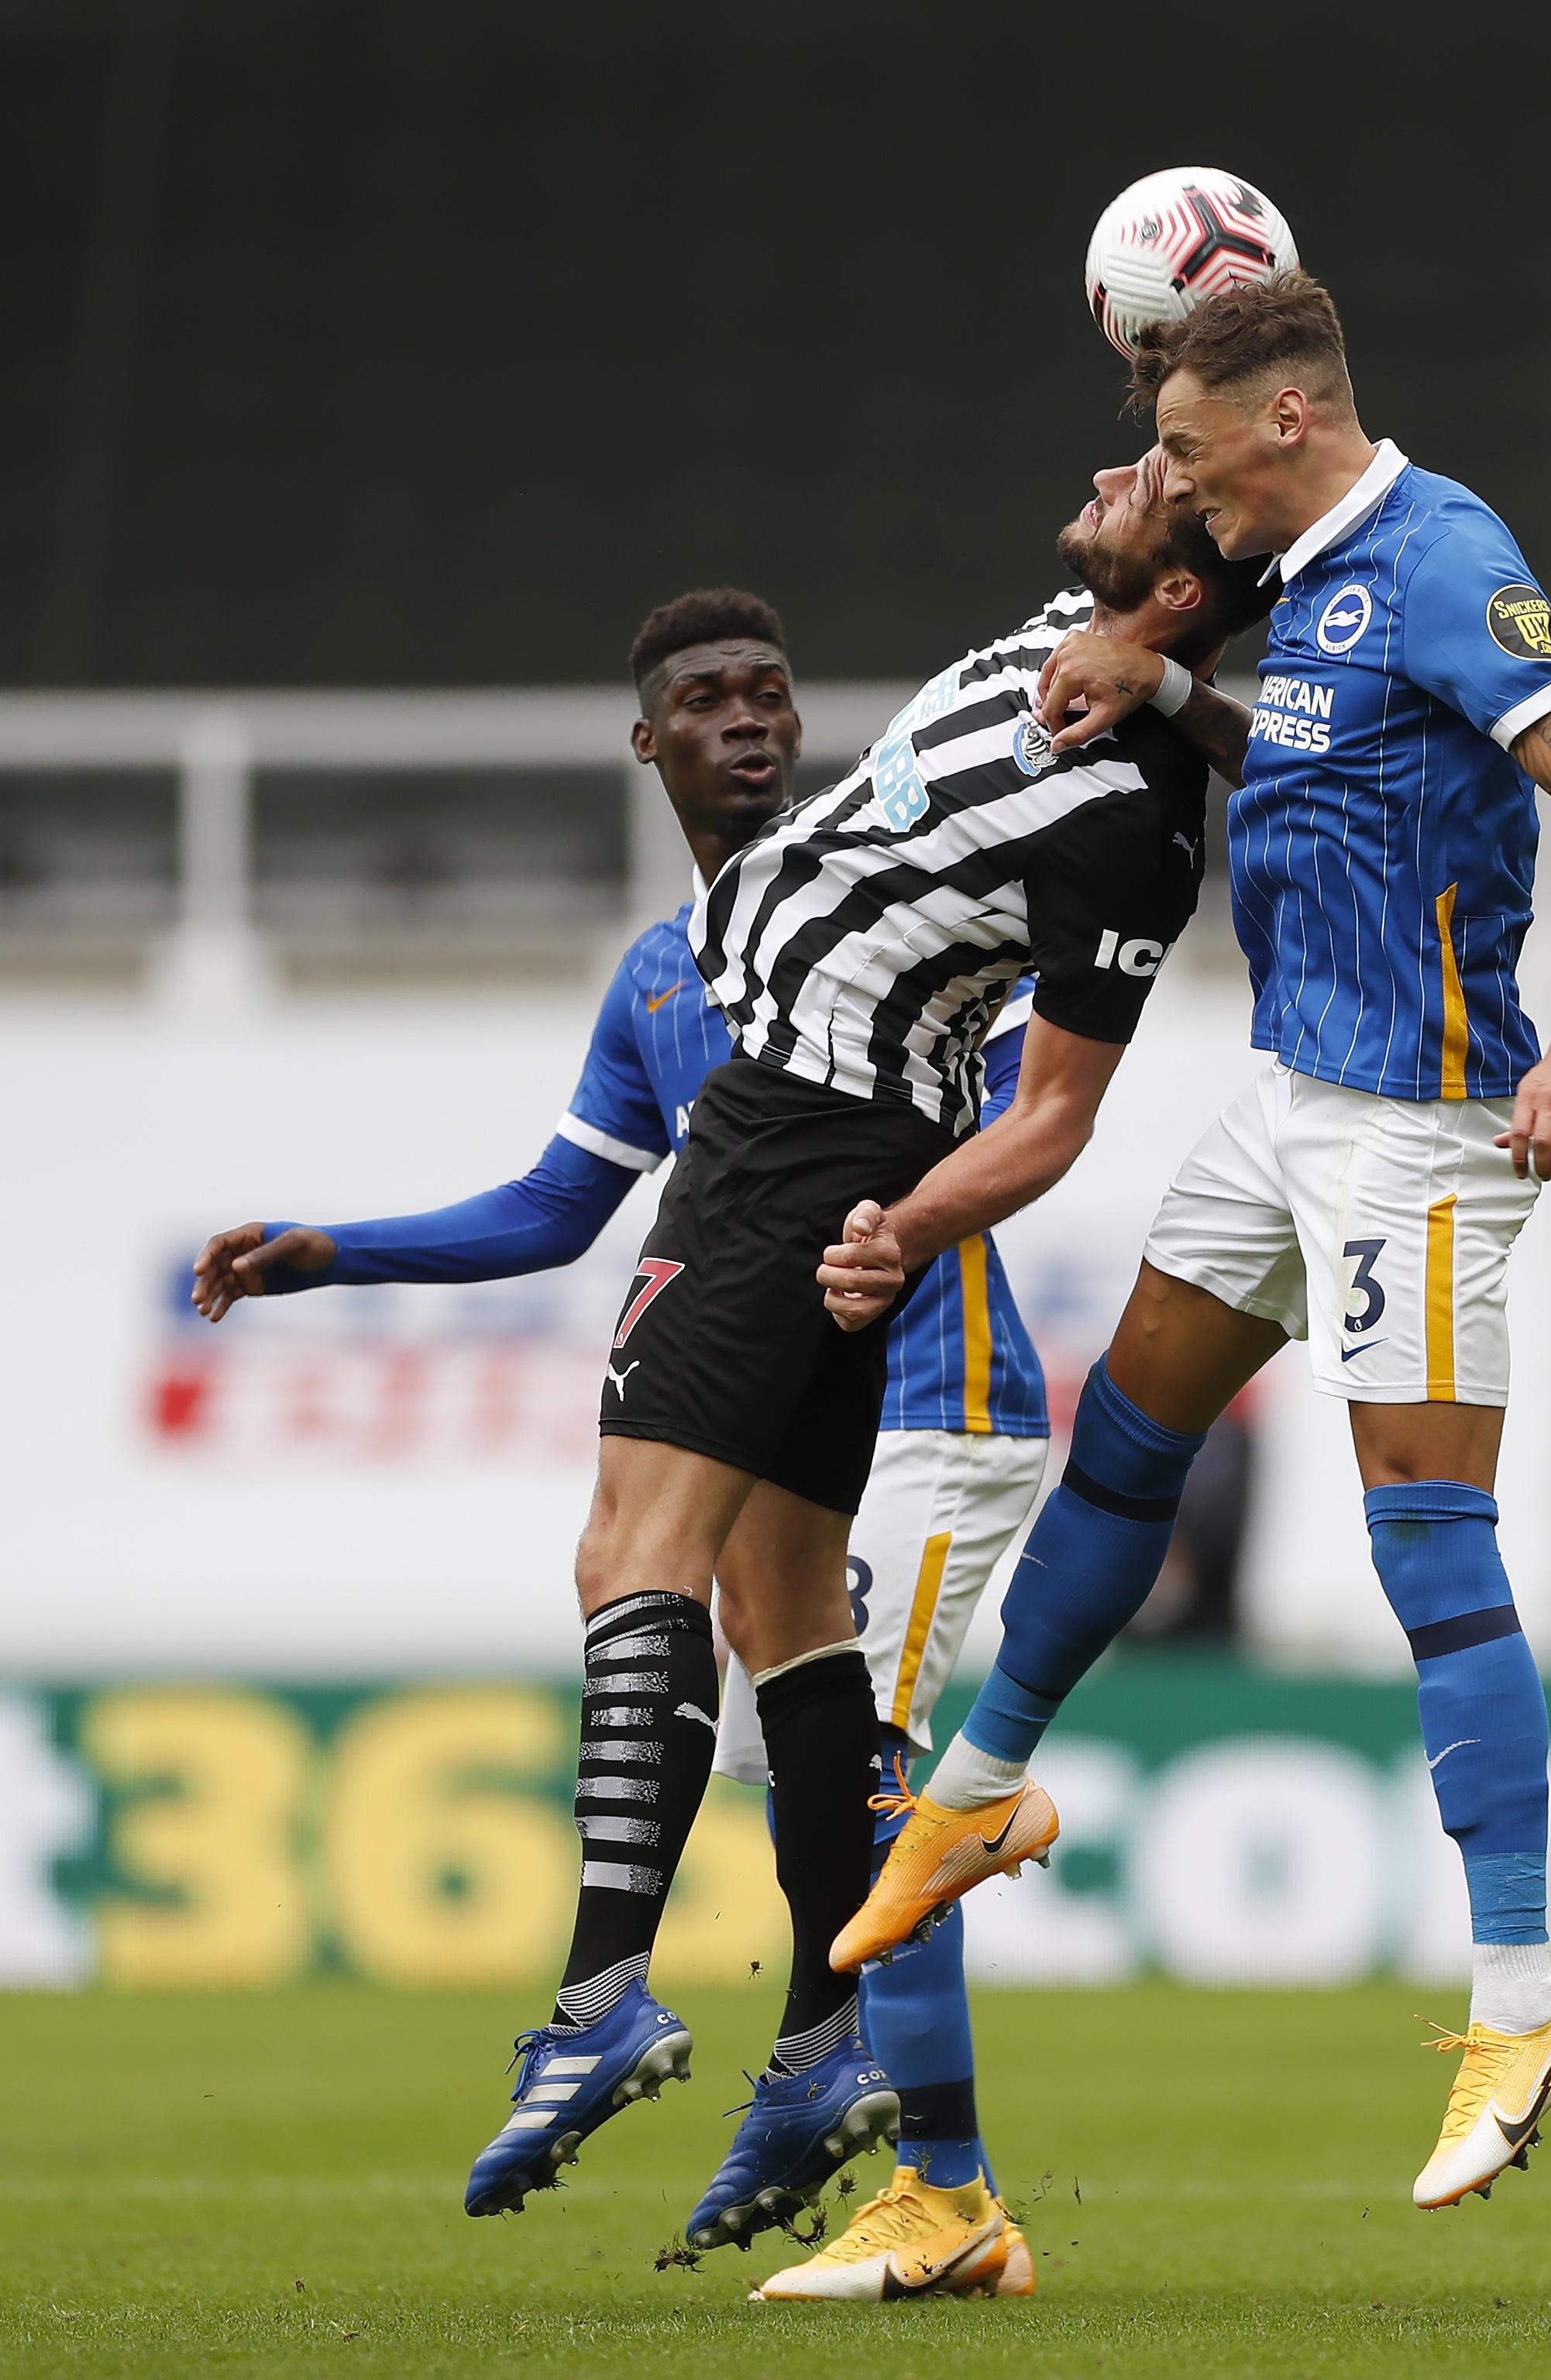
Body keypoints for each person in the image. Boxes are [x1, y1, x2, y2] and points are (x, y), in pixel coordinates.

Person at [194, 467, 1271, 2288]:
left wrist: (1186, 674)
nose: (749, 724)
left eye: (769, 697)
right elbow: (556, 1206)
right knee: (796, 1670)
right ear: (650, 749)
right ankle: (833, 2069)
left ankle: (885, 2133)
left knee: (807, 1710)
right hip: (826, 1339)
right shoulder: (674, 969)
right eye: (708, 706)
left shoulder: (945, 869)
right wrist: (337, 1252)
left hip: (944, 1385)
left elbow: (1014, 1095)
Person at [833, 271, 1551, 2219]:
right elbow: (1314, 759)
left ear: (1288, 419)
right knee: (1130, 1436)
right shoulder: (1302, 591)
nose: (1178, 488)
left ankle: (1526, 1999)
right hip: (1289, 1099)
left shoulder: (1450, 556)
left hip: (1422, 1135)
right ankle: (972, 1799)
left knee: (1425, 1545)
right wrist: (1169, 687)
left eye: (1196, 451)